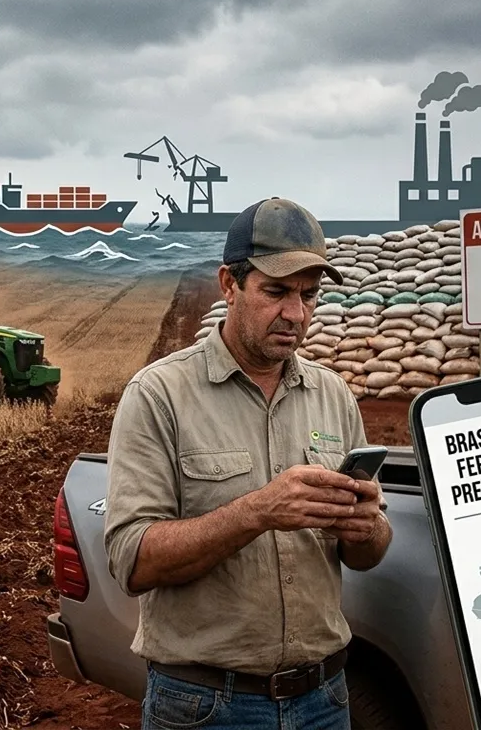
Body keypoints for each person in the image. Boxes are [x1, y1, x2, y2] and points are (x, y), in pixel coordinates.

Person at [103, 197, 393, 729]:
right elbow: (133, 560)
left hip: (324, 702)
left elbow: (367, 554)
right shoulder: (159, 395)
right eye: (276, 291)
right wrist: (258, 511)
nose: (296, 314)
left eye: (309, 295)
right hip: (206, 706)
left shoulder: (333, 395)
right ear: (229, 285)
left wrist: (366, 526)